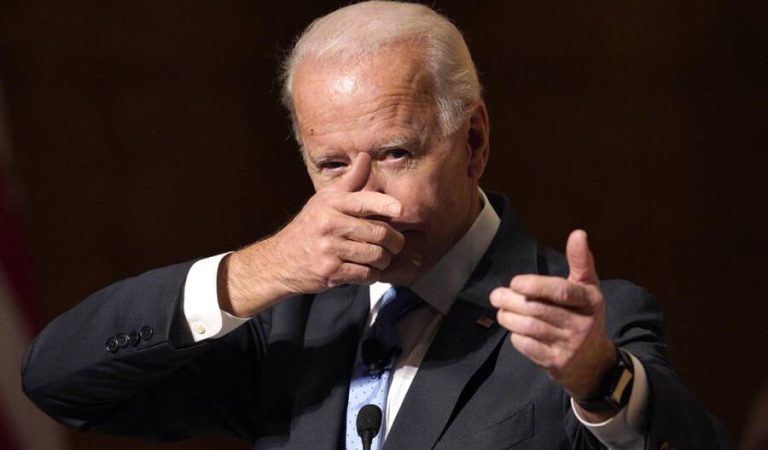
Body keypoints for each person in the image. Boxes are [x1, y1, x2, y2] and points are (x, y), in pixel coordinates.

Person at [22, 2, 731, 449]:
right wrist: (257, 273)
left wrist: (599, 381)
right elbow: (60, 382)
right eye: (332, 165)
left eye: (395, 154)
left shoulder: (581, 327)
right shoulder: (289, 323)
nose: (366, 199)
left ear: (474, 141)